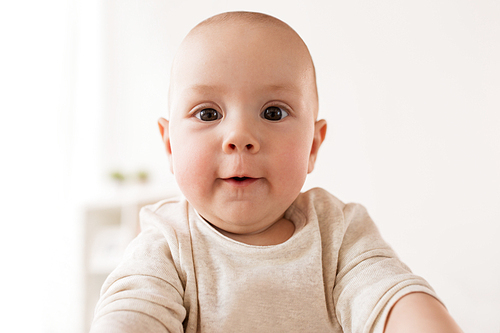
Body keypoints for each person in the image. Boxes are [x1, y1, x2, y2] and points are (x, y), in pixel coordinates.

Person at [90, 11, 462, 333]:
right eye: (208, 114)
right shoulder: (166, 244)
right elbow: (132, 310)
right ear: (170, 145)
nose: (239, 137)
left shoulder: (339, 233)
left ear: (313, 145)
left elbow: (388, 295)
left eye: (273, 113)